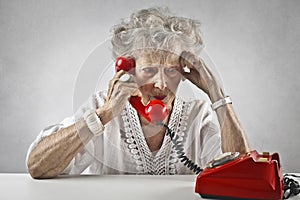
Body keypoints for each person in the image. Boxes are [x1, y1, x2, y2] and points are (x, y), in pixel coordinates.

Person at [26, 7, 251, 178]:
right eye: (150, 70)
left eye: (171, 71)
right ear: (128, 70)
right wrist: (103, 116)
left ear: (184, 72)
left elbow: (242, 175)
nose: (161, 84)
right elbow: (37, 166)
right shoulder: (100, 107)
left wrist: (217, 94)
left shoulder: (197, 114)